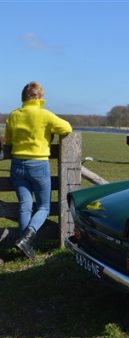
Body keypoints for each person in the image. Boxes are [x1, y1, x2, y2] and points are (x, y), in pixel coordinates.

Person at [5, 81, 72, 258]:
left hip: (17, 165)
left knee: (24, 206)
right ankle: (27, 239)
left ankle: (24, 246)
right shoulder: (45, 115)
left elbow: (9, 141)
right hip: (38, 165)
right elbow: (67, 127)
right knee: (44, 207)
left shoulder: (13, 115)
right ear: (39, 97)